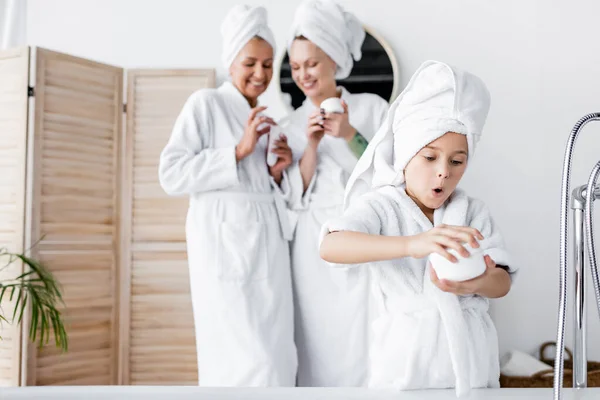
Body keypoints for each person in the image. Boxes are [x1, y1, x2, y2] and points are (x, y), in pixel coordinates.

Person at [319, 60, 518, 396]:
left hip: (470, 366)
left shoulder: (471, 211)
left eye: (457, 161)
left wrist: (478, 282)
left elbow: (503, 282)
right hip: (405, 366)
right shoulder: (381, 206)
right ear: (406, 154)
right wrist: (413, 244)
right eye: (429, 157)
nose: (443, 172)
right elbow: (331, 247)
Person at [158, 4, 297, 386]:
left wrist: (274, 173)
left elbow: (257, 185)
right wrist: (238, 151)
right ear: (232, 60)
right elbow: (170, 174)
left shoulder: (263, 112)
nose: (260, 73)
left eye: (268, 65)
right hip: (225, 247)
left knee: (277, 350)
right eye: (251, 62)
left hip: (266, 243)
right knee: (241, 353)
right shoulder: (205, 104)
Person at [283, 0, 389, 387]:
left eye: (311, 63)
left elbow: (391, 175)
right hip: (312, 246)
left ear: (333, 59)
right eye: (296, 67)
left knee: (364, 333)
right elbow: (294, 195)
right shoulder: (290, 123)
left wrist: (347, 135)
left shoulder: (372, 109)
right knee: (316, 336)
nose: (304, 75)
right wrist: (310, 145)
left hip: (362, 235)